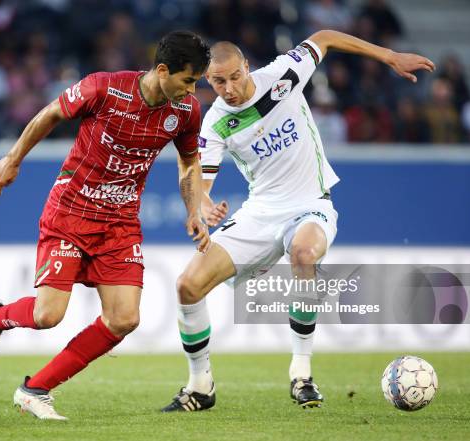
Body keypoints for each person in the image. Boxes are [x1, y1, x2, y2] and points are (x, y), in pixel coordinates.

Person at [161, 29, 434, 412]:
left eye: (235, 76)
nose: (229, 88)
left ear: (247, 67)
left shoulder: (285, 75)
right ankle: (200, 385)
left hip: (310, 204)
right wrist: (201, 204)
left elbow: (323, 37)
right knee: (187, 286)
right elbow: (199, 179)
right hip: (260, 214)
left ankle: (301, 375)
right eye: (218, 81)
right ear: (208, 80)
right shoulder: (217, 122)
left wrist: (389, 56)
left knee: (304, 253)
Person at [0, 31, 211, 420]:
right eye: (187, 80)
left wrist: (193, 209)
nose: (192, 90)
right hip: (70, 213)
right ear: (162, 70)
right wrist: (13, 159)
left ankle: (35, 389)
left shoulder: (185, 111)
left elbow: (189, 163)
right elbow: (50, 113)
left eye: (196, 82)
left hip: (120, 223)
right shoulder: (104, 88)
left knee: (124, 319)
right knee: (48, 316)